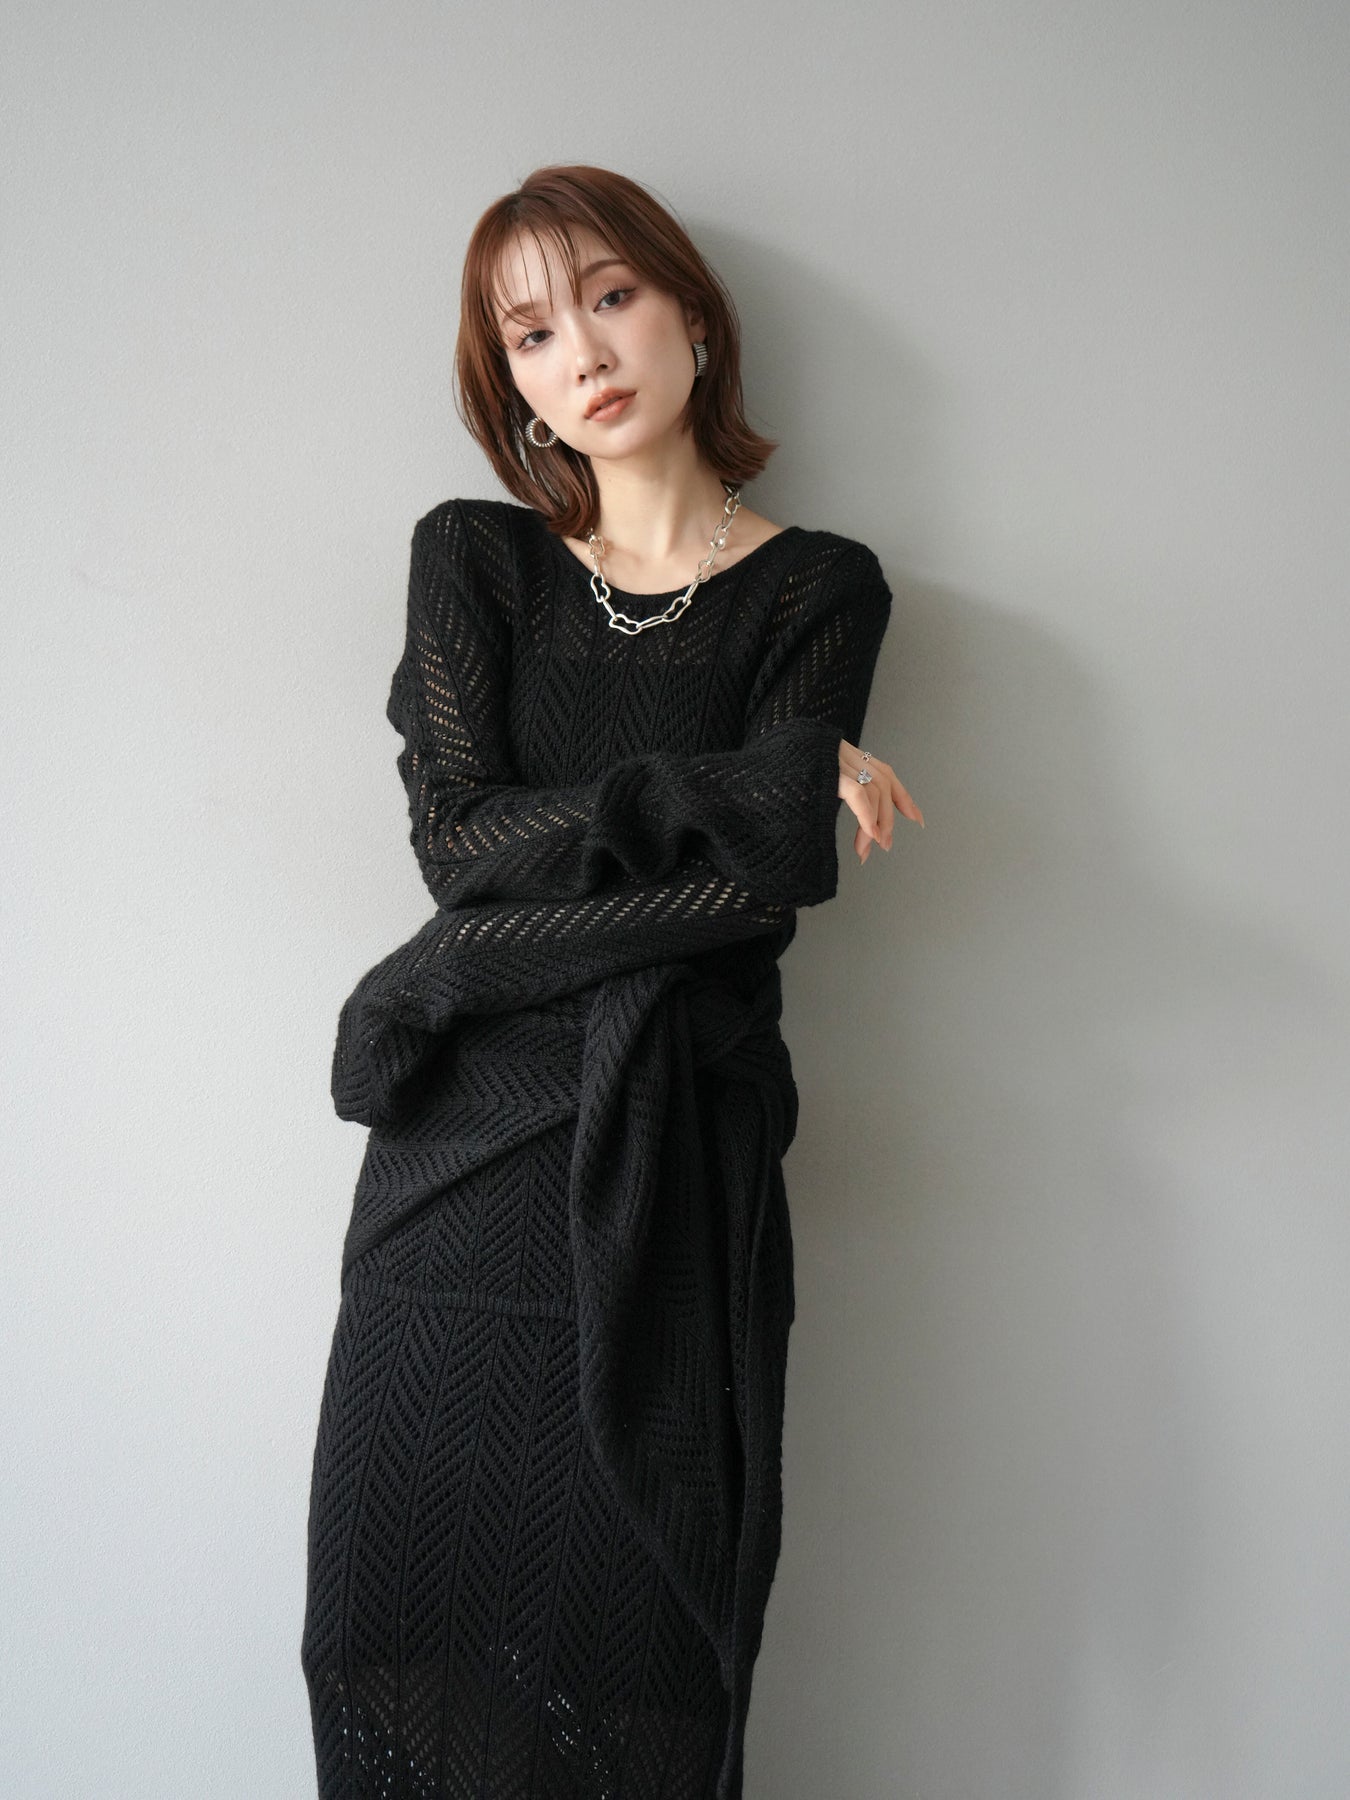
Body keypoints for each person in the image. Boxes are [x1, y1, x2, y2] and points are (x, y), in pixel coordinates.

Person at [301, 163, 924, 1800]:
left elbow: (750, 901)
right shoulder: (477, 561)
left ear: (691, 318)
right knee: (388, 1642)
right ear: (506, 382)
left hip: (664, 1177)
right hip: (455, 1175)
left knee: (634, 1665)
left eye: (609, 296)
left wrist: (458, 967)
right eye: (529, 333)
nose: (578, 351)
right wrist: (731, 786)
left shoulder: (818, 587)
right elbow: (461, 850)